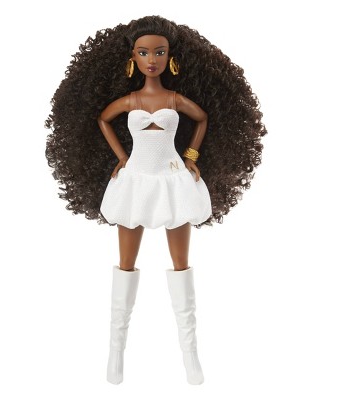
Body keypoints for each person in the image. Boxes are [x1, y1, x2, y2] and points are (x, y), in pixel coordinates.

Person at [45, 15, 266, 385]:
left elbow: (202, 119)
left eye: (159, 52)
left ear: (170, 57)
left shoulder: (174, 99)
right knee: (125, 264)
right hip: (135, 181)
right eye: (144, 52)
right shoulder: (130, 100)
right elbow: (103, 119)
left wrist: (192, 156)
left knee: (181, 265)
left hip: (172, 179)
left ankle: (190, 354)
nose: (152, 59)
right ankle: (116, 352)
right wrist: (121, 157)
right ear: (132, 57)